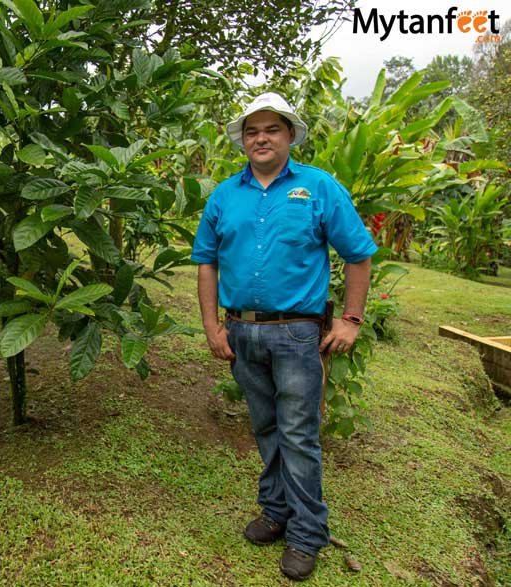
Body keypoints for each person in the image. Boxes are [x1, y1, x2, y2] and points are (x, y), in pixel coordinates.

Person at [191, 92, 377, 581]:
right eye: (252, 131)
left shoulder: (318, 188)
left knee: (298, 433)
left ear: (290, 135)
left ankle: (306, 534)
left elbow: (358, 254)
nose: (261, 138)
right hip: (242, 331)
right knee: (266, 427)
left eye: (272, 129)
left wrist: (351, 320)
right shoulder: (225, 195)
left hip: (297, 334)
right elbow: (206, 263)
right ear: (242, 140)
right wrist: (212, 326)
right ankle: (275, 512)